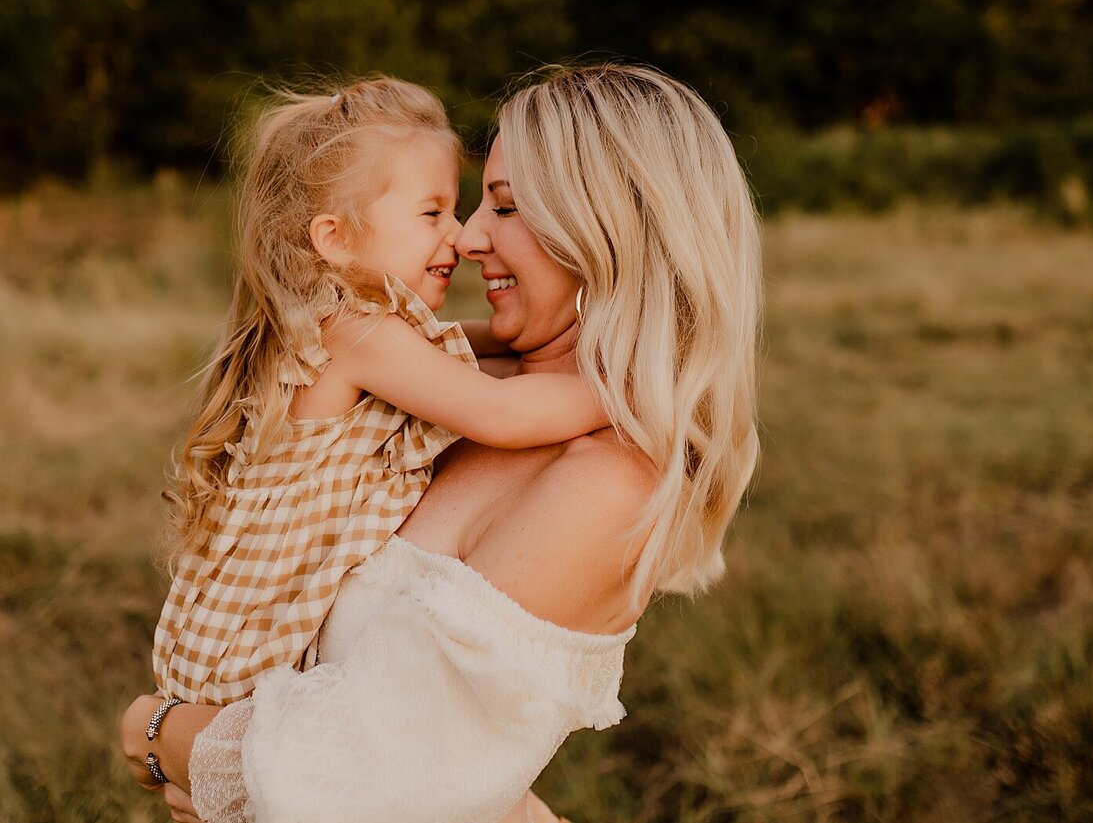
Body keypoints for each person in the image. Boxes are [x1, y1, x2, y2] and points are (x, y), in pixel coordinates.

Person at [123, 64, 763, 823]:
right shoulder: (445, 399)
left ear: (608, 234)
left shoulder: (605, 482)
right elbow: (437, 752)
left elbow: (351, 793)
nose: (469, 237)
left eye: (506, 206)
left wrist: (160, 734)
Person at [152, 76, 609, 718]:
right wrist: (630, 391)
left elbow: (484, 351)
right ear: (335, 238)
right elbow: (499, 412)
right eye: (432, 213)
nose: (459, 236)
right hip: (248, 646)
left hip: (258, 634)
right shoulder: (355, 332)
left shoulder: (363, 328)